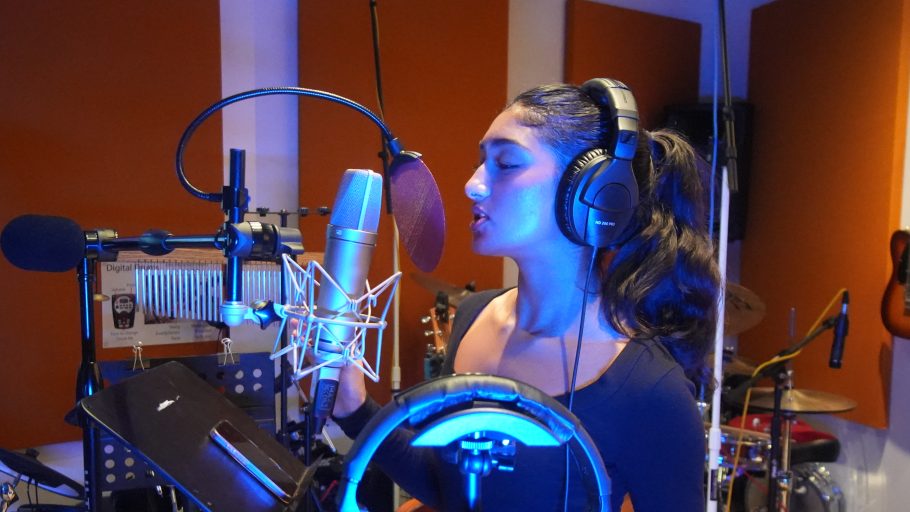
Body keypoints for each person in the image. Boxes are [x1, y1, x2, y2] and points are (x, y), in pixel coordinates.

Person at [332, 80, 719, 511]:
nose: (472, 185)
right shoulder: (472, 316)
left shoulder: (651, 389)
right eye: (482, 162)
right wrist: (353, 407)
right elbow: (449, 490)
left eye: (506, 163)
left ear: (593, 192)